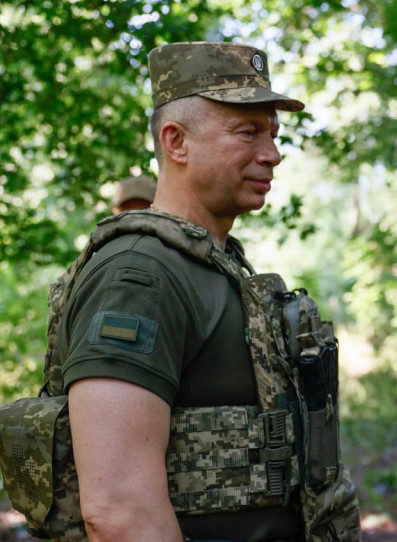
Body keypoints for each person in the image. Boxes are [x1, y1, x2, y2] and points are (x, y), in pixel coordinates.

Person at [0, 42, 359, 542]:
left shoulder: (213, 264)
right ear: (176, 142)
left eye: (273, 135)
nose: (272, 155)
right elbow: (120, 512)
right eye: (248, 132)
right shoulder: (139, 275)